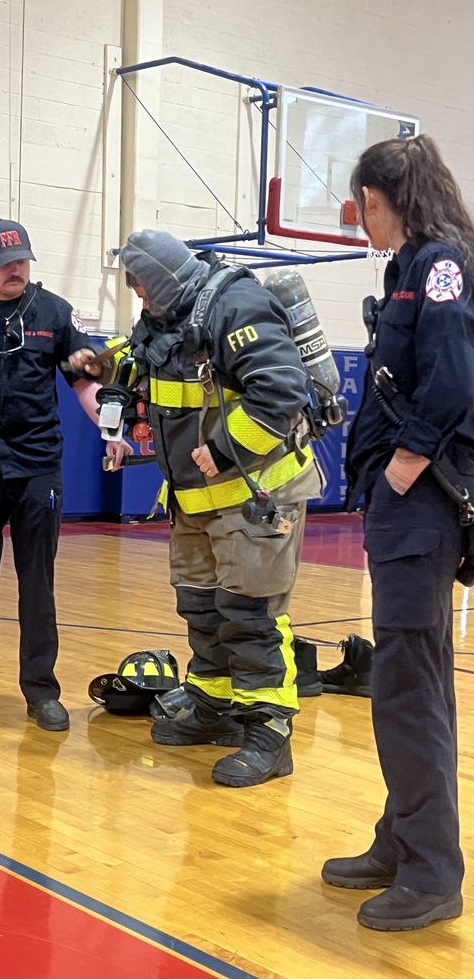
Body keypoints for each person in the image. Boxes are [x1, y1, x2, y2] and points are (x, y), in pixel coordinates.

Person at [70, 229, 322, 786]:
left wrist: (226, 447)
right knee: (202, 608)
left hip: (255, 497)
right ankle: (214, 708)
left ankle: (269, 732)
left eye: (139, 285)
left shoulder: (237, 305)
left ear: (158, 278)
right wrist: (102, 369)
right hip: (194, 500)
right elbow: (147, 364)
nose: (136, 295)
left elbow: (281, 389)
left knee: (251, 617)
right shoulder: (164, 315)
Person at [321, 134, 474, 931]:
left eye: (369, 207)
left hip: (422, 504)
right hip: (404, 510)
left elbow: (453, 381)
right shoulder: (408, 269)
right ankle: (403, 837)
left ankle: (430, 874)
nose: (364, 223)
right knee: (412, 683)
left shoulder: (440, 264)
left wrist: (402, 471)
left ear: (396, 198)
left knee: (408, 691)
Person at [0, 219, 130, 732]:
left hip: (36, 465)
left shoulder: (55, 314)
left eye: (23, 260)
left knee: (38, 581)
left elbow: (84, 383)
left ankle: (41, 691)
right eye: (5, 262)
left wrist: (109, 429)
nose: (17, 269)